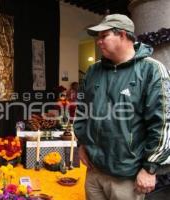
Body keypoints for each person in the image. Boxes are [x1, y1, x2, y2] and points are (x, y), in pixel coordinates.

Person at [73, 14, 170, 200]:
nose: (98, 42)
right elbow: (82, 111)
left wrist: (150, 168)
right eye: (98, 37)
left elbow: (163, 123)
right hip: (94, 171)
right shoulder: (93, 71)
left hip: (127, 176)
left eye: (104, 36)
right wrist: (81, 144)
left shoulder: (152, 70)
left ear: (123, 35)